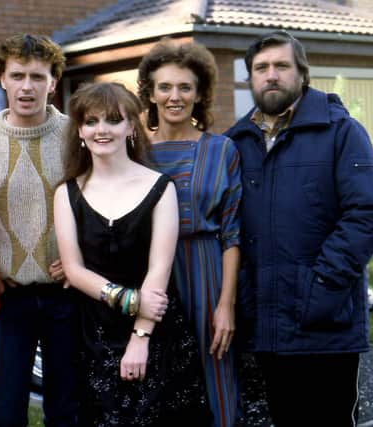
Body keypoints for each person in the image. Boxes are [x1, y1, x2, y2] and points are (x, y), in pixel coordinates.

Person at [224, 30, 373, 427]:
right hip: (265, 323)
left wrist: (321, 287)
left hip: (325, 321)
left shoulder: (341, 131)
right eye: (261, 68)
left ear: (302, 74)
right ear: (250, 78)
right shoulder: (235, 142)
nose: (271, 75)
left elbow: (367, 214)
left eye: (282, 65)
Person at [53, 82, 211, 427]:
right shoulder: (66, 193)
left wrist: (140, 337)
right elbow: (73, 269)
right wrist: (129, 300)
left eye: (112, 120)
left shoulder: (160, 187)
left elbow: (159, 270)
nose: (101, 130)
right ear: (80, 131)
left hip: (157, 332)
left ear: (130, 127)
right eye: (91, 121)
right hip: (93, 337)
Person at [0, 34, 78, 427]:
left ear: (54, 82)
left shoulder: (79, 138)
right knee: (7, 409)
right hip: (5, 298)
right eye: (18, 76)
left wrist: (83, 261)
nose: (28, 86)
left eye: (38, 76)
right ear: (2, 80)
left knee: (67, 408)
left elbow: (103, 205)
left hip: (68, 296)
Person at [137, 39, 241, 427]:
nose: (174, 96)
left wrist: (226, 304)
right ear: (150, 93)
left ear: (200, 94)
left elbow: (232, 234)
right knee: (153, 374)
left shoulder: (222, 150)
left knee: (215, 369)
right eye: (165, 87)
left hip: (206, 271)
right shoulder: (133, 151)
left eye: (185, 87)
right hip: (146, 272)